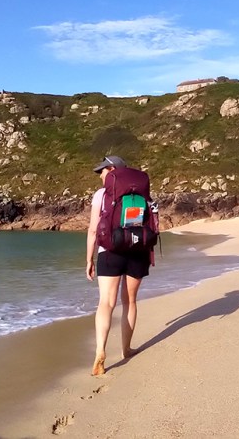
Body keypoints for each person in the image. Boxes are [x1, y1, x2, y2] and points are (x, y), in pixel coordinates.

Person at [86, 155, 152, 376]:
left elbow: (94, 230)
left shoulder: (102, 194)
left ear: (112, 169)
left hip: (110, 251)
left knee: (106, 302)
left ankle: (100, 352)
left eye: (102, 171)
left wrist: (89, 259)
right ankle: (126, 349)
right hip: (137, 250)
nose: (101, 175)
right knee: (130, 301)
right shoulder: (141, 191)